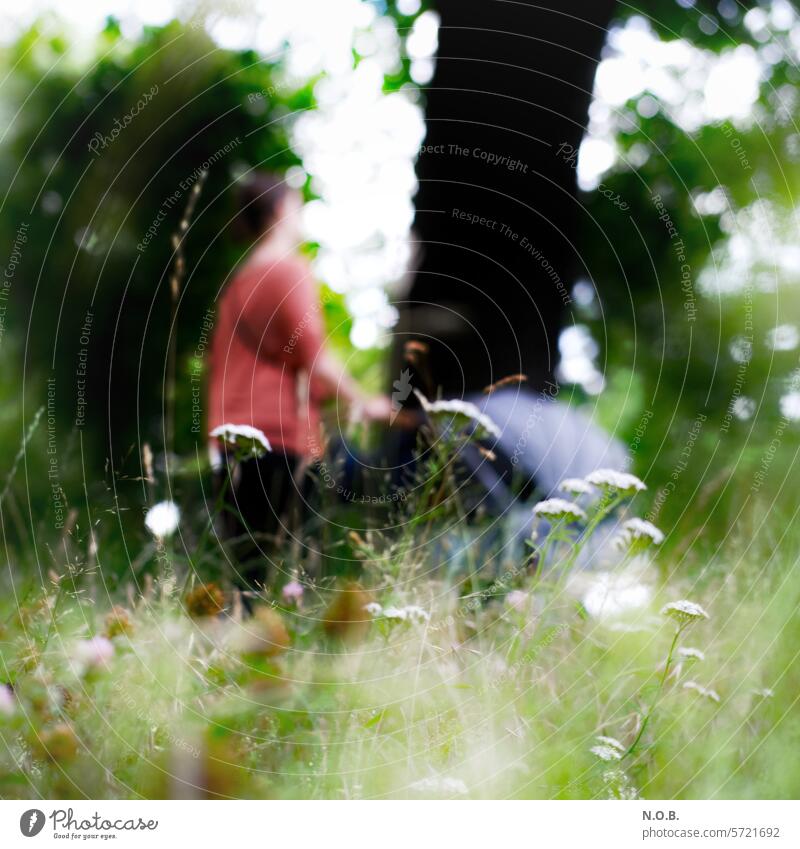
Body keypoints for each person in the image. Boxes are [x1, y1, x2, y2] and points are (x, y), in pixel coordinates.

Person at [207, 172, 392, 566]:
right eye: (296, 206)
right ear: (279, 211)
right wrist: (364, 401)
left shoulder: (238, 282)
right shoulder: (288, 271)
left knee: (245, 572)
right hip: (279, 439)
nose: (301, 215)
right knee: (288, 573)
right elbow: (315, 358)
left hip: (231, 437)